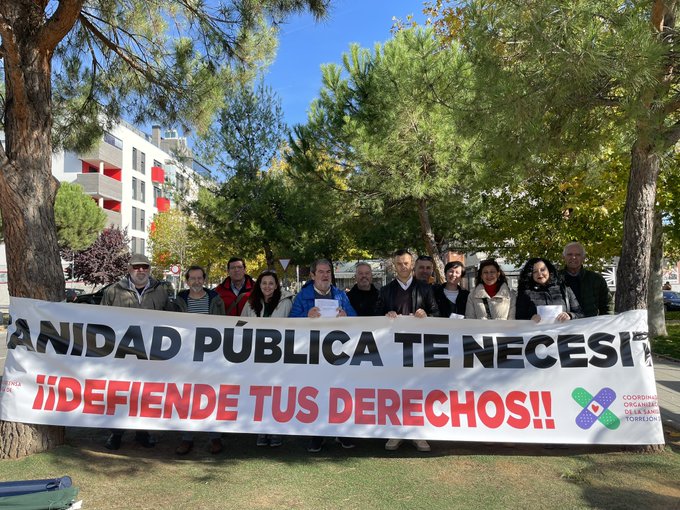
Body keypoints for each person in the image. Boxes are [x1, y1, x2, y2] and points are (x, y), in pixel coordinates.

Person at [100, 253, 176, 450]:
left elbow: (171, 319)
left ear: (150, 269)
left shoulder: (161, 290)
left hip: (151, 354)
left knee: (146, 394)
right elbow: (99, 320)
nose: (140, 270)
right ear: (129, 269)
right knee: (120, 393)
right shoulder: (113, 291)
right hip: (122, 353)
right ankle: (116, 434)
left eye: (145, 267)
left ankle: (142, 432)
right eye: (136, 267)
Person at [289, 259, 356, 452]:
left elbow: (356, 318)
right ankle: (316, 434)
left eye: (328, 272)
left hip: (337, 352)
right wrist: (305, 316)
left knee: (338, 391)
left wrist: (347, 316)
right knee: (315, 391)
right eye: (320, 272)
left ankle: (340, 431)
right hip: (314, 352)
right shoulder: (303, 296)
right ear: (312, 275)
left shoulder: (341, 296)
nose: (325, 276)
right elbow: (291, 322)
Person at [375, 249, 438, 453]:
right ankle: (395, 433)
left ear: (412, 265)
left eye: (406, 263)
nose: (403, 266)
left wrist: (426, 314)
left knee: (418, 390)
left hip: (419, 350)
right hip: (393, 351)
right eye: (399, 263)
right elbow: (374, 317)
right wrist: (386, 315)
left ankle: (419, 434)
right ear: (395, 266)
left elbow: (438, 314)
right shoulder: (385, 291)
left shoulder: (425, 289)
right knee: (396, 390)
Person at [174, 265, 226, 455]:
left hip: (211, 356)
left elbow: (223, 325)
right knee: (187, 397)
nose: (196, 281)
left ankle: (215, 438)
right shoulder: (180, 300)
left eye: (199, 278)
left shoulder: (215, 300)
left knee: (212, 396)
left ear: (204, 279)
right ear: (187, 281)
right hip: (186, 356)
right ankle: (187, 438)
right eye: (192, 278)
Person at [241, 269, 294, 447]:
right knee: (260, 394)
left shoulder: (286, 302)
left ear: (276, 285)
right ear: (259, 285)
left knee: (278, 394)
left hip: (280, 356)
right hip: (256, 356)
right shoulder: (250, 303)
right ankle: (262, 430)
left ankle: (276, 431)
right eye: (264, 283)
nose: (267, 287)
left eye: (271, 283)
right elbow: (241, 324)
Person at [516, 257, 584, 322]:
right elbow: (518, 319)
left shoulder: (564, 289)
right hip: (537, 333)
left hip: (562, 333)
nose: (540, 274)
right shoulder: (525, 293)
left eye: (542, 270)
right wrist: (530, 320)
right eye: (535, 272)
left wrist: (570, 316)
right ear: (530, 274)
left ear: (549, 270)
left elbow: (580, 314)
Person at [561, 242, 614, 317]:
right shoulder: (555, 279)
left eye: (577, 255)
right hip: (563, 324)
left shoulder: (596, 279)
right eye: (570, 254)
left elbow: (607, 306)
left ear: (583, 258)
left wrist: (607, 322)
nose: (573, 257)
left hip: (590, 324)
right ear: (563, 257)